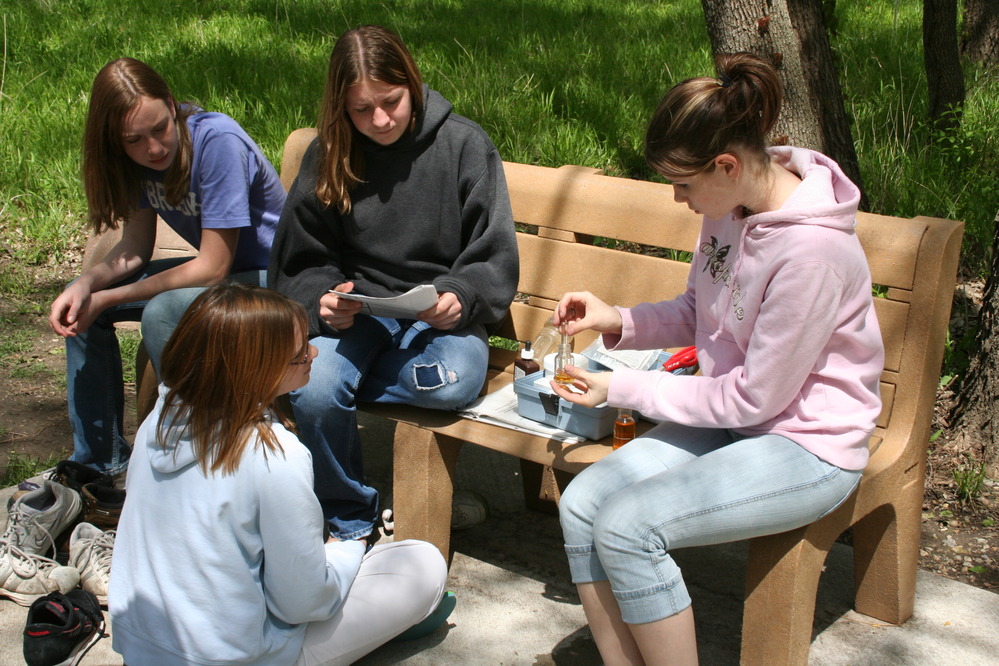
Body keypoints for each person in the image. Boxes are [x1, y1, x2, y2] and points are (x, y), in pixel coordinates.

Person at [549, 53, 884, 665]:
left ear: (726, 165)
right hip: (737, 424)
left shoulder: (812, 255)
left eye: (683, 183)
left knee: (629, 527)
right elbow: (699, 311)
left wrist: (617, 389)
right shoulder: (730, 209)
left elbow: (754, 397)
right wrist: (616, 319)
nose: (677, 198)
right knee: (581, 505)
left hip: (808, 444)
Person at [108, 282, 450, 665]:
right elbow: (302, 604)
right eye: (299, 354)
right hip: (240, 658)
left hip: (139, 648)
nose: (314, 353)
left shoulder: (160, 417)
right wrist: (348, 550)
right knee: (422, 563)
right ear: (255, 368)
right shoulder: (274, 454)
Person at [269, 25, 519, 541]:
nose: (380, 120)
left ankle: (343, 383)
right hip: (359, 312)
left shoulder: (464, 144)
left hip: (440, 316)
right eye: (362, 109)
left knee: (452, 381)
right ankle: (349, 519)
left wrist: (461, 295)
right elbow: (300, 259)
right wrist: (322, 300)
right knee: (315, 387)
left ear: (412, 83)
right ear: (341, 107)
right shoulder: (330, 153)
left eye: (391, 101)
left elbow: (493, 252)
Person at [49, 58, 286, 475]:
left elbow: (212, 267)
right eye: (134, 140)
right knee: (82, 306)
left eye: (160, 128)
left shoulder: (217, 142)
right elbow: (135, 247)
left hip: (275, 278)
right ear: (114, 141)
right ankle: (99, 463)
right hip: (226, 277)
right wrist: (87, 285)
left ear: (172, 105)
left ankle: (200, 456)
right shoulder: (136, 164)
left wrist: (110, 297)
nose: (154, 148)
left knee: (162, 309)